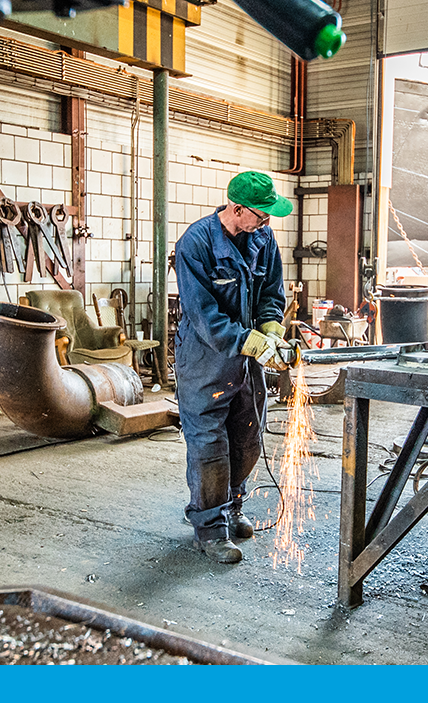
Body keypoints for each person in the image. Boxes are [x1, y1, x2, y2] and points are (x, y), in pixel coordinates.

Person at [173, 171, 295, 563]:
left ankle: (232, 507)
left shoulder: (263, 238)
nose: (267, 221)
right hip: (205, 359)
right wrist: (249, 341)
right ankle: (210, 529)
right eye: (261, 214)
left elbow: (271, 293)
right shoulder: (196, 243)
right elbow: (203, 315)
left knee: (246, 436)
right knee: (209, 445)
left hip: (246, 360)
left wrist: (271, 329)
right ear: (237, 209)